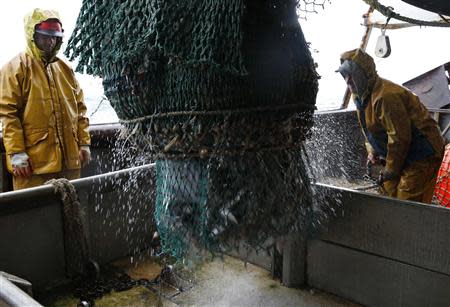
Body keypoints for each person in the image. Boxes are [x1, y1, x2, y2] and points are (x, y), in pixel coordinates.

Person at [336, 48, 445, 203]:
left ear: (365, 74)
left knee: (408, 201)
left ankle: (411, 225)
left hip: (423, 151)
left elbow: (400, 137)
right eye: (344, 75)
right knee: (388, 192)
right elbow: (368, 127)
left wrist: (391, 170)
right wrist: (372, 151)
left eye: (352, 76)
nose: (347, 81)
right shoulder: (360, 95)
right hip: (400, 152)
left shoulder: (386, 96)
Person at [0, 8, 91, 190]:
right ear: (32, 36)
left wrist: (84, 142)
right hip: (33, 168)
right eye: (44, 37)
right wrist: (17, 153)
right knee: (35, 215)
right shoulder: (14, 69)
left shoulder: (65, 70)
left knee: (72, 212)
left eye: (54, 37)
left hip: (70, 164)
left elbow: (80, 109)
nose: (50, 42)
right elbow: (7, 113)